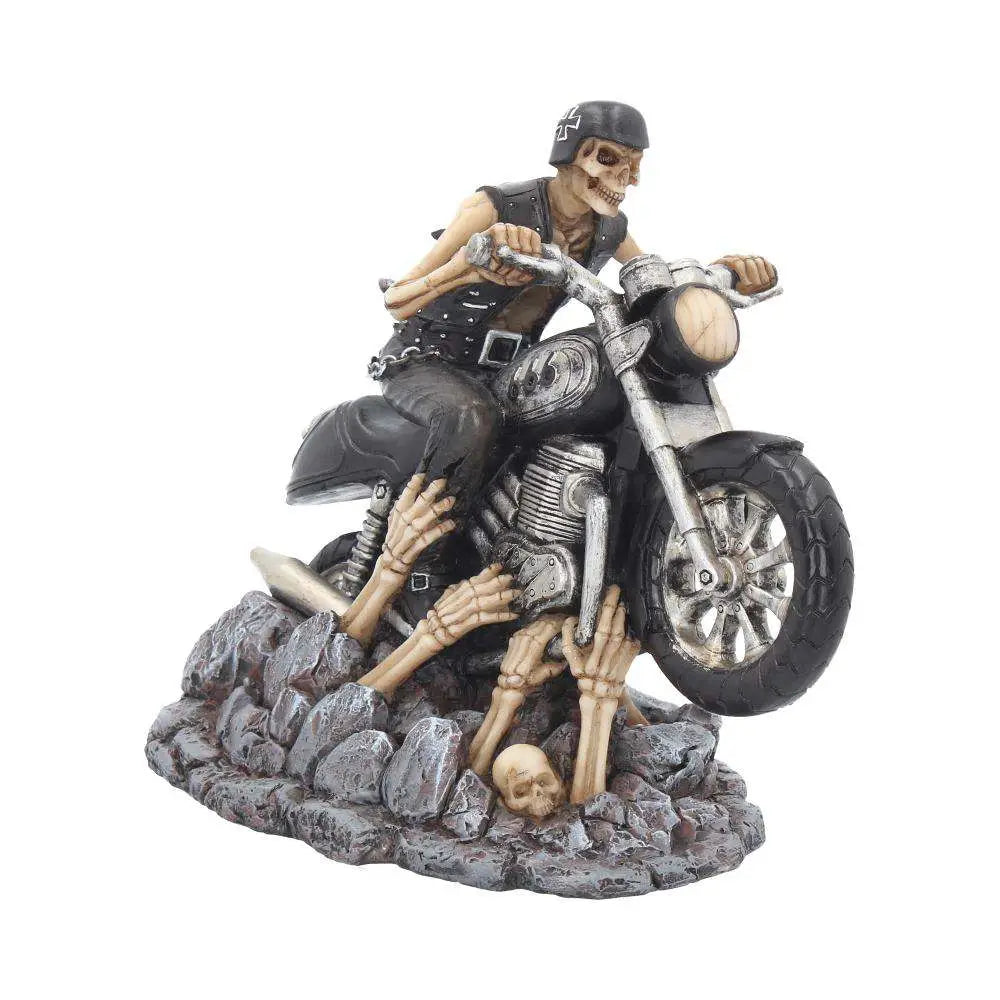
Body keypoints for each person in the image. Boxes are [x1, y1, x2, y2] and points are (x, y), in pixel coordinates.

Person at [371, 101, 775, 515]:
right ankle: (419, 547)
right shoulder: (494, 208)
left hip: (505, 371)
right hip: (428, 359)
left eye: (634, 166)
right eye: (608, 159)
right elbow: (397, 299)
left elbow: (651, 281)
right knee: (474, 418)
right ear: (570, 154)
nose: (625, 179)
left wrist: (718, 275)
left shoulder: (609, 228)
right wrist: (466, 267)